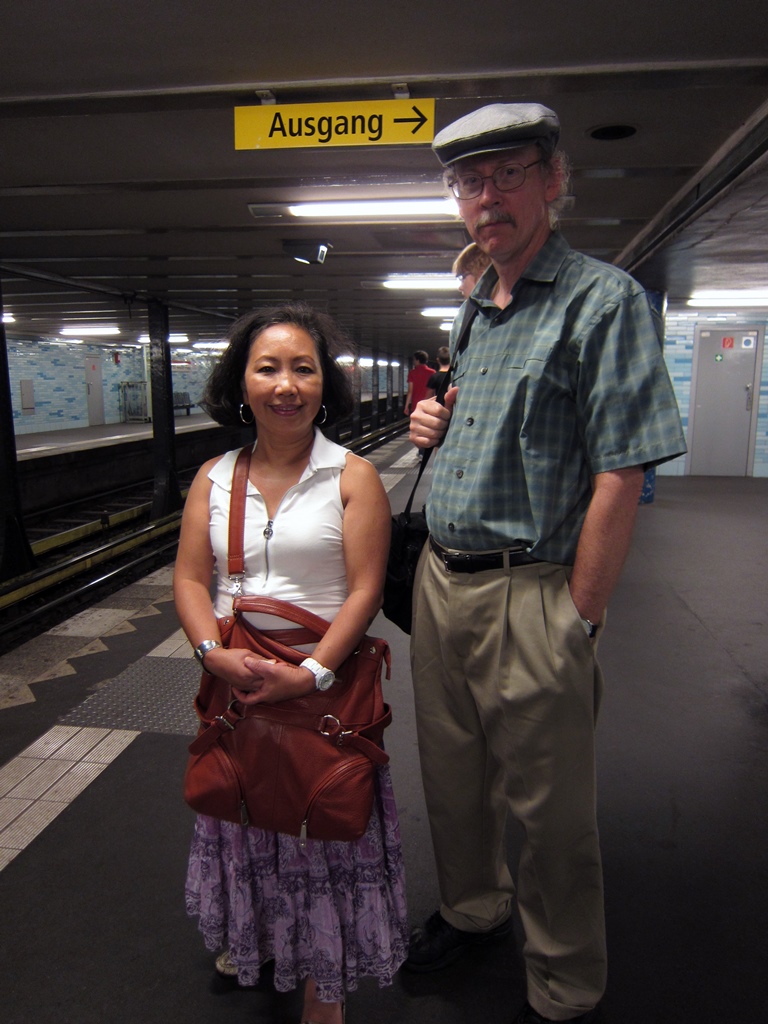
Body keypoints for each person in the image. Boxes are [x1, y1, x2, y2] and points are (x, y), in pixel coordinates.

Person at [406, 103, 687, 1024]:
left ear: (553, 181)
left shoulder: (601, 301)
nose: (487, 198)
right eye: (468, 183)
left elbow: (621, 471)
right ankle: (474, 909)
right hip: (441, 585)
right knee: (451, 780)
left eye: (508, 175)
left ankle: (566, 981)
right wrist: (431, 431)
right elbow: (479, 431)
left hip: (534, 589)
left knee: (552, 813)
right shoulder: (473, 309)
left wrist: (581, 618)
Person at [174, 302, 408, 1024]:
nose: (286, 384)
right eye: (267, 367)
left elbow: (365, 589)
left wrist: (311, 674)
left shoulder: (353, 475)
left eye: (303, 368)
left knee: (322, 826)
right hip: (238, 684)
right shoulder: (214, 477)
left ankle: (324, 989)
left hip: (322, 691)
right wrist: (212, 654)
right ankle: (262, 935)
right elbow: (187, 579)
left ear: (324, 385)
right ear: (240, 383)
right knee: (247, 813)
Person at [403, 349, 433, 415]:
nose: (413, 361)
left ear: (418, 360)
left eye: (414, 360)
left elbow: (410, 391)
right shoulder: (433, 372)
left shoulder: (412, 373)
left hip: (416, 405)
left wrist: (406, 406)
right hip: (429, 405)